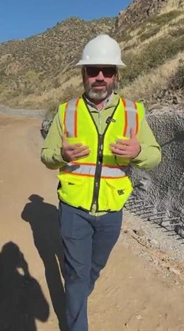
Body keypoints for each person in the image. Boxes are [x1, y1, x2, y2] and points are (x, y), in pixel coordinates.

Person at [40, 34, 162, 331]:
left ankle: (77, 298)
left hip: (112, 209)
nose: (99, 77)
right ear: (83, 74)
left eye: (106, 71)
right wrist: (60, 153)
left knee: (93, 269)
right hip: (73, 208)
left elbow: (155, 155)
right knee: (78, 273)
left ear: (115, 75)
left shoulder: (133, 112)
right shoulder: (66, 111)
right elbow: (46, 156)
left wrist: (138, 153)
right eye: (93, 71)